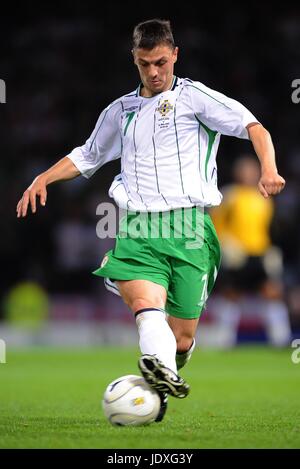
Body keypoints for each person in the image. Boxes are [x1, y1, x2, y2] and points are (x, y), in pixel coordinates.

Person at [16, 19, 286, 422]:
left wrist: (269, 169)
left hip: (192, 230)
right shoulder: (119, 111)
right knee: (145, 303)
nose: (155, 72)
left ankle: (166, 367)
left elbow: (254, 127)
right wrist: (43, 177)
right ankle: (157, 369)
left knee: (182, 338)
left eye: (161, 61)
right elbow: (88, 155)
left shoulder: (196, 98)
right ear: (135, 60)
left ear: (175, 54)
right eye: (145, 64)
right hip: (139, 227)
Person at [210, 155, 291, 347]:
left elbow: (268, 228)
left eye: (251, 170)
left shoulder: (263, 198)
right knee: (231, 295)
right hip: (237, 255)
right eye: (244, 170)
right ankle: (223, 339)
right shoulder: (229, 195)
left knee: (271, 293)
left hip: (259, 254)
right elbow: (216, 225)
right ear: (237, 173)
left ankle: (281, 339)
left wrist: (271, 250)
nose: (248, 174)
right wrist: (225, 244)